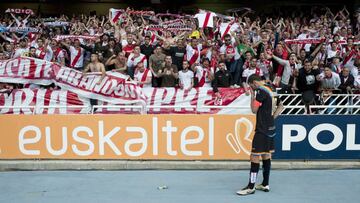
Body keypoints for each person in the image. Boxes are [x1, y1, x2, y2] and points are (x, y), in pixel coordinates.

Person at [237, 74, 283, 196]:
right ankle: (265, 184)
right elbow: (281, 106)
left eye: (251, 86)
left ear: (254, 83)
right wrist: (272, 119)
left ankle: (251, 187)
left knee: (254, 156)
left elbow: (254, 110)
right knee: (266, 155)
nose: (252, 88)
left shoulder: (260, 91)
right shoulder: (272, 88)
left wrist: (252, 95)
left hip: (262, 129)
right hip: (271, 127)